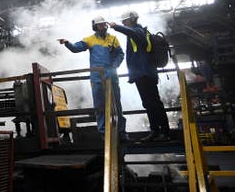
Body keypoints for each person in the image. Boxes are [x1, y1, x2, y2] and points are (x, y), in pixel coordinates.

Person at [58, 16, 127, 141]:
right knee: (100, 106)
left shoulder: (113, 39)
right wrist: (67, 43)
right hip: (97, 78)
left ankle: (121, 133)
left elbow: (121, 54)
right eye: (100, 25)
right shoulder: (90, 40)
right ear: (95, 27)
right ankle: (103, 133)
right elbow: (76, 48)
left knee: (117, 105)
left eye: (105, 25)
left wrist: (115, 66)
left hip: (111, 76)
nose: (104, 27)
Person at [110, 11, 170, 142]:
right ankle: (156, 131)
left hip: (145, 73)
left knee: (154, 103)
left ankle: (164, 132)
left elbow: (132, 33)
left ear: (132, 19)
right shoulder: (138, 32)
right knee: (149, 103)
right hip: (142, 73)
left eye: (125, 20)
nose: (123, 22)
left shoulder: (138, 31)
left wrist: (116, 27)